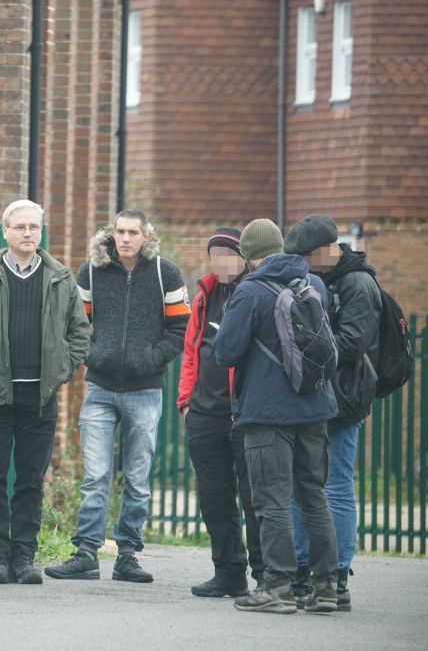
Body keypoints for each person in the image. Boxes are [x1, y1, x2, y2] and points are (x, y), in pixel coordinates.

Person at [0, 199, 90, 585]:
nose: (29, 233)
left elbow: (80, 332)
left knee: (30, 480)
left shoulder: (60, 278)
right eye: (21, 227)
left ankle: (24, 556)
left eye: (35, 227)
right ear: (5, 231)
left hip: (39, 398)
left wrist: (61, 369)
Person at [45, 209, 189, 583]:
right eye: (119, 232)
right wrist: (94, 356)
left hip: (145, 391)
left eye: (132, 233)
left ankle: (127, 555)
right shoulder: (92, 271)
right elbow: (75, 325)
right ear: (112, 234)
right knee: (95, 476)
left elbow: (181, 328)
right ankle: (86, 553)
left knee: (138, 478)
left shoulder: (165, 273)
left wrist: (151, 359)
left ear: (145, 236)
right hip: (101, 388)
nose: (125, 239)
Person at [214, 218, 339, 614]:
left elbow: (226, 352)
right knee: (313, 496)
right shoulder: (314, 284)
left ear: (248, 255)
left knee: (272, 501)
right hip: (315, 406)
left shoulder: (250, 290)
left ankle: (278, 587)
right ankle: (326, 588)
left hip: (267, 412)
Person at [284, 214, 381, 611]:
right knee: (301, 483)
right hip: (315, 396)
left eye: (307, 256)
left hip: (343, 399)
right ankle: (302, 567)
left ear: (327, 249)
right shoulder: (315, 280)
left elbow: (352, 343)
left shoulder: (357, 283)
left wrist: (305, 349)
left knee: (336, 484)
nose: (302, 264)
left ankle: (338, 573)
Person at [177, 226, 264, 597]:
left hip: (245, 415)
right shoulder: (204, 296)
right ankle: (228, 572)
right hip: (205, 414)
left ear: (243, 258)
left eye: (228, 254)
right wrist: (185, 402)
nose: (221, 261)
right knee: (214, 498)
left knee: (254, 497)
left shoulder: (254, 293)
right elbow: (191, 351)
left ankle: (266, 576)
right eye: (215, 255)